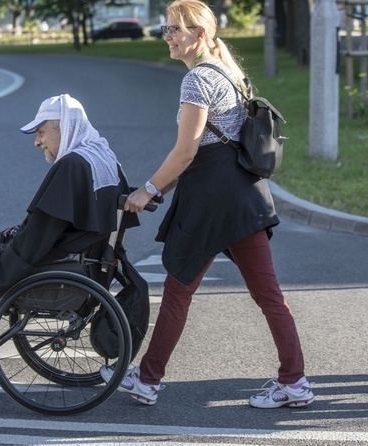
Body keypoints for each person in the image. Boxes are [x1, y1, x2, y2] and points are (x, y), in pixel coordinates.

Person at [100, 0, 315, 409]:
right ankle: (294, 381)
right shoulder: (226, 71)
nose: (167, 37)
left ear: (199, 34)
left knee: (180, 290)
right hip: (241, 197)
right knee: (267, 294)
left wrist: (148, 189)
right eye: (165, 29)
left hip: (213, 203)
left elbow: (186, 152)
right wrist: (160, 186)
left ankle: (148, 380)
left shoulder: (198, 80)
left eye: (175, 30)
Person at [0, 94, 129, 397]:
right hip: (87, 265)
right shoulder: (102, 156)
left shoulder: (71, 166)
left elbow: (37, 239)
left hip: (60, 269)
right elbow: (46, 230)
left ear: (63, 127)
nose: (37, 142)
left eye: (42, 132)